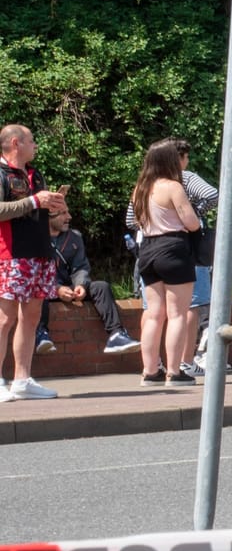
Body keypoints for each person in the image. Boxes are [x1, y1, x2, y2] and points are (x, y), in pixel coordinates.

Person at [124, 138, 218, 376]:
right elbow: (192, 223)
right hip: (174, 248)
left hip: (147, 250)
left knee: (153, 314)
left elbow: (132, 222)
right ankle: (175, 371)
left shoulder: (140, 188)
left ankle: (150, 370)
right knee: (177, 313)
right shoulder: (173, 187)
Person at [0, 124, 67, 400]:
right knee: (4, 319)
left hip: (39, 253)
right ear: (16, 143)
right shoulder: (1, 173)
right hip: (10, 255)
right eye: (32, 141)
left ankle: (22, 379)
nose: (35, 145)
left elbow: (34, 208)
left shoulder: (33, 173)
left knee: (31, 317)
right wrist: (34, 201)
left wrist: (52, 206)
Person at [37, 210, 138, 355]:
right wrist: (56, 288)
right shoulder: (35, 239)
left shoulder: (74, 237)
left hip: (70, 287)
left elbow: (81, 266)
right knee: (38, 294)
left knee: (101, 287)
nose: (69, 217)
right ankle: (41, 334)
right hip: (46, 287)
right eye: (63, 214)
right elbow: (35, 273)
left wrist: (81, 285)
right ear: (48, 218)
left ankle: (117, 334)